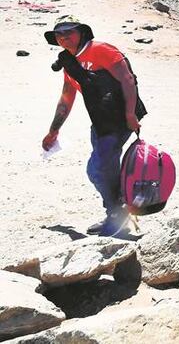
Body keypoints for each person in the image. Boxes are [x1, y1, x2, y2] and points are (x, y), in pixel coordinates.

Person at [41, 16, 144, 237]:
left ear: (83, 33)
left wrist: (129, 113)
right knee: (98, 168)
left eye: (69, 32)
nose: (63, 37)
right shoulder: (69, 62)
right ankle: (117, 211)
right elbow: (66, 98)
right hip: (101, 121)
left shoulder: (102, 50)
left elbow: (127, 80)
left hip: (120, 118)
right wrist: (54, 130)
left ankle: (117, 215)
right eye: (59, 34)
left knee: (99, 167)